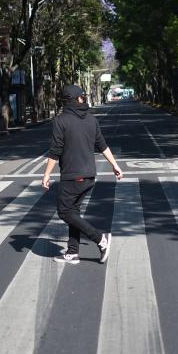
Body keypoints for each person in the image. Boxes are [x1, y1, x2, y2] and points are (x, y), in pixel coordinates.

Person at [42, 84, 123, 264]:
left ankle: (100, 239)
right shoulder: (91, 119)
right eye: (81, 97)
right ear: (76, 99)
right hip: (89, 175)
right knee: (74, 212)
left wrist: (46, 175)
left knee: (64, 211)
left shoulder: (60, 121)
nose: (83, 99)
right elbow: (102, 145)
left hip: (73, 176)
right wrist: (115, 165)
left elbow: (55, 151)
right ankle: (72, 252)